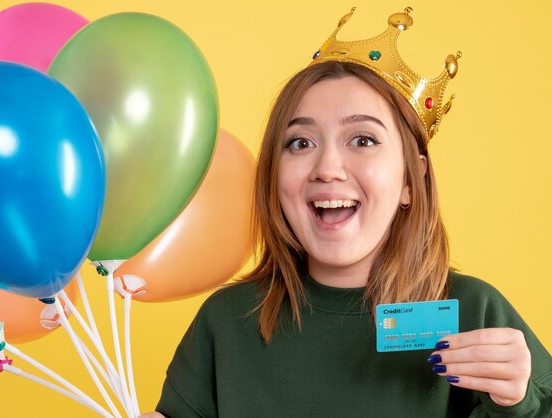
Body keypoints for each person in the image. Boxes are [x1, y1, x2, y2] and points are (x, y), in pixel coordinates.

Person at [143, 7, 552, 417]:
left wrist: (520, 405)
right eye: (301, 143)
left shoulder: (472, 311)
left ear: (412, 179)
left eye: (363, 139)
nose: (327, 169)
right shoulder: (226, 322)